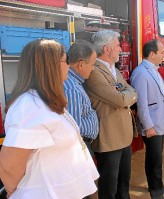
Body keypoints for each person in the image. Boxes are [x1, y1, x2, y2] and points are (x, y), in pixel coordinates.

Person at [0, 39, 99, 199]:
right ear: (50, 66)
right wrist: (16, 191)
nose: (68, 65)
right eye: (65, 61)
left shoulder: (44, 100)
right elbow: (9, 165)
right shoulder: (29, 106)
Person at [85, 30, 137, 199]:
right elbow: (120, 100)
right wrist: (125, 95)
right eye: (117, 46)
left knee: (124, 183)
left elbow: (130, 91)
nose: (120, 49)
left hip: (123, 135)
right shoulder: (94, 71)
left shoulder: (113, 70)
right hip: (109, 138)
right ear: (107, 49)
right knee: (109, 186)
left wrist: (126, 94)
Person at [130, 39, 164, 199]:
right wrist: (148, 126)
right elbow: (141, 104)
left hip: (159, 123)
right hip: (152, 125)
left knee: (157, 158)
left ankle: (158, 186)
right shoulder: (141, 73)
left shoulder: (153, 69)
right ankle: (155, 192)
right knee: (154, 159)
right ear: (152, 53)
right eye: (161, 52)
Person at [63, 40, 99, 199]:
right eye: (92, 64)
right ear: (81, 64)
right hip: (80, 147)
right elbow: (73, 130)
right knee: (84, 192)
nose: (93, 69)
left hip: (83, 146)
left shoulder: (75, 82)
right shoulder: (72, 88)